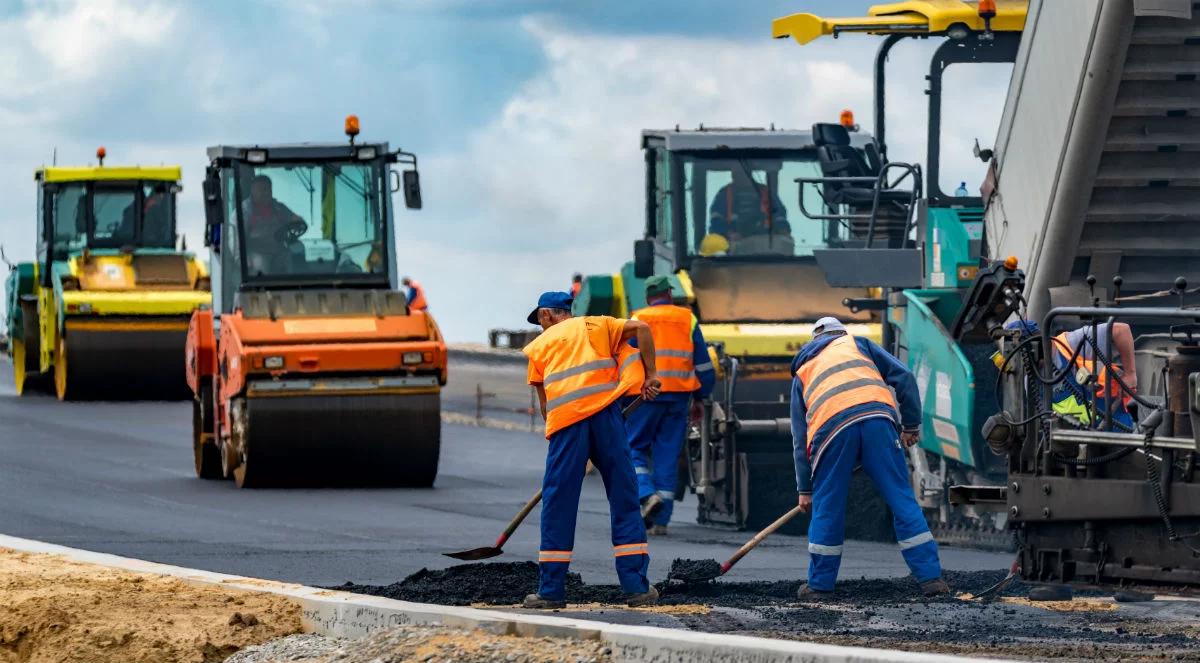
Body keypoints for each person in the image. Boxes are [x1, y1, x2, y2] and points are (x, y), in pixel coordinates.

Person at [521, 291, 663, 609]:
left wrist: (568, 450)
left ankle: (551, 591)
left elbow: (546, 407)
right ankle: (637, 588)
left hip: (567, 426)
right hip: (607, 418)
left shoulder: (539, 347)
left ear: (546, 315)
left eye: (540, 321)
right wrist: (651, 374)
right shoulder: (597, 325)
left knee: (558, 503)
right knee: (625, 499)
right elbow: (642, 328)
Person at [791, 316, 948, 598]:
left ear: (814, 341)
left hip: (831, 432)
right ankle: (931, 579)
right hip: (878, 421)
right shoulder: (859, 344)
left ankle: (819, 586)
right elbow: (905, 378)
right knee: (902, 499)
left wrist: (805, 488)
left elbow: (799, 437)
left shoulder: (803, 369)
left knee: (828, 506)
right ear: (840, 333)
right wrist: (911, 425)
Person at [625, 276, 715, 535]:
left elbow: (626, 358)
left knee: (632, 447)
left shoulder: (636, 317)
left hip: (644, 396)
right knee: (667, 455)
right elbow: (704, 365)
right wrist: (702, 396)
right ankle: (661, 521)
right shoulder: (687, 318)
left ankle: (646, 494)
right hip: (678, 397)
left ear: (648, 297)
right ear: (669, 294)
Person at [1050, 322, 1137, 430]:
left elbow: (1121, 330)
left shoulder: (1070, 343)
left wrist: (1130, 374)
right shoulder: (1031, 379)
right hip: (1073, 440)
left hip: (1116, 428)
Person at [707, 169, 792, 255]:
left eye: (740, 171)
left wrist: (783, 231)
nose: (735, 175)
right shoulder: (724, 193)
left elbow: (779, 215)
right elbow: (716, 219)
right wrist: (727, 233)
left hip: (766, 246)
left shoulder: (766, 192)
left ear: (749, 173)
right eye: (734, 171)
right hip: (733, 253)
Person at [242, 175, 306, 273]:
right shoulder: (245, 211)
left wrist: (299, 221)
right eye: (262, 189)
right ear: (253, 191)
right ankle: (261, 287)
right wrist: (243, 259)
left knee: (296, 251)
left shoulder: (279, 208)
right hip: (257, 252)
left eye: (268, 189)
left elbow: (294, 218)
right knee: (261, 263)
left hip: (278, 249)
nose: (266, 192)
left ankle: (297, 285)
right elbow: (236, 239)